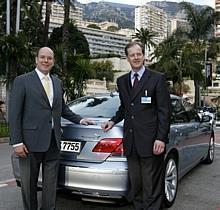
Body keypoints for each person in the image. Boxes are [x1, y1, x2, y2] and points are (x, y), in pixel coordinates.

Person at [9, 47, 94, 210]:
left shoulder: (56, 81)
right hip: (29, 144)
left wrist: (81, 119)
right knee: (28, 185)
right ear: (36, 59)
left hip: (53, 142)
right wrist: (17, 142)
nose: (46, 61)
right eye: (42, 57)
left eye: (49, 58)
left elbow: (61, 109)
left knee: (50, 185)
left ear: (53, 61)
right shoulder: (22, 81)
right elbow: (14, 114)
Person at [101, 41, 171, 210]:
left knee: (151, 186)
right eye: (132, 55)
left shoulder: (157, 78)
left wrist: (161, 138)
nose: (136, 57)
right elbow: (125, 107)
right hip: (131, 142)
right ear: (127, 58)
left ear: (144, 55)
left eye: (139, 54)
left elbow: (165, 111)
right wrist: (112, 121)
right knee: (137, 185)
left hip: (151, 143)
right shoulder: (122, 81)